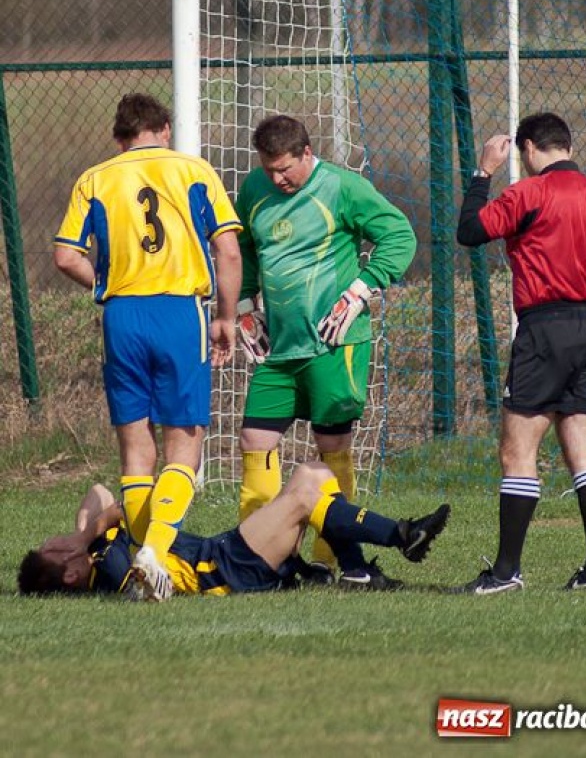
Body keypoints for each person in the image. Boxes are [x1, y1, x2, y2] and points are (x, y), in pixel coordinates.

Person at [53, 92, 243, 602]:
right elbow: (227, 248)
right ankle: (154, 555)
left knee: (137, 448)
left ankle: (143, 567)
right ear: (164, 127)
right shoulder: (193, 170)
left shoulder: (96, 178)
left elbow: (65, 256)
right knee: (187, 440)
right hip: (180, 313)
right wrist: (226, 316)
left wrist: (105, 283)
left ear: (119, 138)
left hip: (123, 315)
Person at [452, 112, 586, 594]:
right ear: (570, 146)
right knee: (582, 451)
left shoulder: (528, 194)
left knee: (517, 452)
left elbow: (470, 231)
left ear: (529, 148)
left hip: (544, 330)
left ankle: (505, 573)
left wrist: (483, 173)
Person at [234, 114, 417, 589]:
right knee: (255, 440)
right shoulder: (254, 189)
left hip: (333, 345)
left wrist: (360, 291)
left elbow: (400, 235)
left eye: (285, 170)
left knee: (329, 449)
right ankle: (260, 555)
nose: (277, 179)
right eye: (269, 170)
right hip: (279, 351)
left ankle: (332, 561)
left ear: (307, 153)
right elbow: (246, 249)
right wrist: (244, 303)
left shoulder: (342, 187)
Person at [17, 466, 450, 598]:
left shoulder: (89, 550)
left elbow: (97, 493)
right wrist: (90, 537)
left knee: (313, 475)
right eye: (53, 552)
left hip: (226, 551)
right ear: (70, 575)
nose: (54, 542)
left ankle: (357, 571)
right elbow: (113, 508)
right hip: (229, 569)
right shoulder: (112, 569)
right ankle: (401, 535)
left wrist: (78, 536)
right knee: (303, 497)